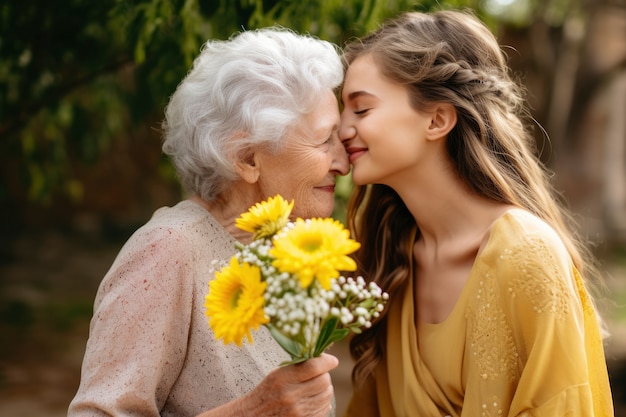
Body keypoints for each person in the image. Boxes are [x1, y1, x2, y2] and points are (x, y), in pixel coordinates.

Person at [338, 9, 613, 417]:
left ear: (437, 119)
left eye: (360, 110)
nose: (341, 128)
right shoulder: (391, 257)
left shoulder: (527, 256)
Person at [69, 27, 350, 417]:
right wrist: (252, 411)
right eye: (325, 141)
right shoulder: (168, 249)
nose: (344, 161)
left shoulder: (279, 254)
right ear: (248, 159)